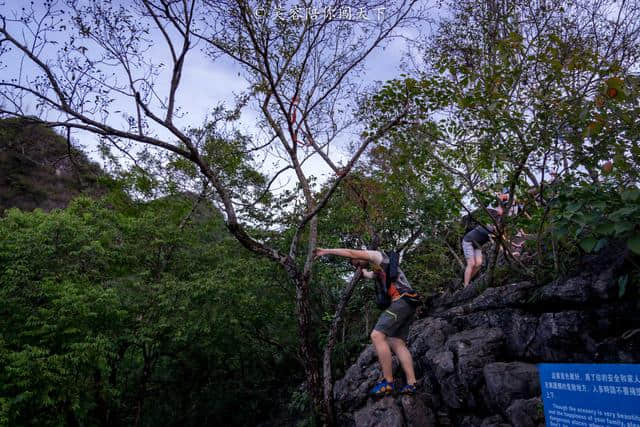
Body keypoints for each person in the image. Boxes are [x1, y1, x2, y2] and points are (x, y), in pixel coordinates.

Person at [313, 247, 417, 397]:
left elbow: (351, 253)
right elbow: (366, 274)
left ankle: (388, 381)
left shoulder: (377, 255)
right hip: (410, 301)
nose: (354, 263)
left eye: (354, 261)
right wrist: (359, 272)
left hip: (401, 301)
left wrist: (326, 251)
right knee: (397, 342)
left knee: (377, 335)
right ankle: (412, 383)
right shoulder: (378, 270)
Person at [462, 205, 504, 287]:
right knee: (471, 263)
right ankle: (465, 285)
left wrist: (515, 245)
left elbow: (501, 239)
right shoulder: (488, 228)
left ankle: (468, 280)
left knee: (478, 264)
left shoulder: (495, 230)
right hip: (468, 241)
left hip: (477, 245)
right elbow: (495, 241)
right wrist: (503, 250)